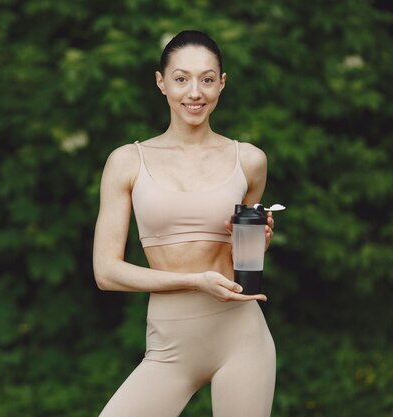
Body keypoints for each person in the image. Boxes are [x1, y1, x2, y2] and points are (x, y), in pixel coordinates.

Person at [92, 30, 276, 417]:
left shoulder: (249, 161)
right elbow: (107, 273)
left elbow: (241, 258)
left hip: (242, 337)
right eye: (181, 78)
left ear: (221, 84)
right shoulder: (127, 162)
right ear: (161, 83)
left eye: (207, 79)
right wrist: (195, 281)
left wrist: (259, 242)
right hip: (169, 347)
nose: (195, 92)